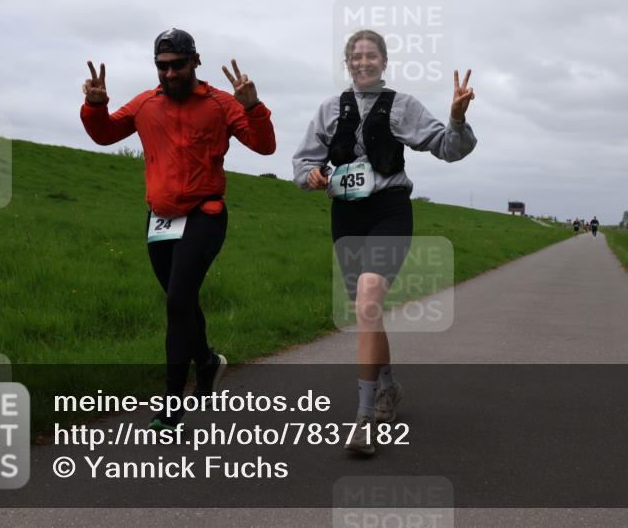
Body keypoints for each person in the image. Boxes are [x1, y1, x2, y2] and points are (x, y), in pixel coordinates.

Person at [292, 29, 477, 455]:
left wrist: (457, 118)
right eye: (355, 56)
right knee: (367, 311)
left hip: (390, 210)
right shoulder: (329, 109)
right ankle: (389, 387)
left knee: (369, 297)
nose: (362, 61)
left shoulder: (402, 106)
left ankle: (364, 418)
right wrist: (313, 176)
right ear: (346, 63)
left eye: (370, 55)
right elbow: (303, 165)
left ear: (383, 61)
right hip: (346, 214)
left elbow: (449, 148)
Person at [80, 28, 276, 429]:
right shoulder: (145, 104)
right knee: (180, 299)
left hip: (206, 213)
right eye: (162, 66)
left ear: (195, 61)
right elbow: (104, 135)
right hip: (160, 219)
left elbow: (264, 146)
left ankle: (171, 406)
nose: (169, 74)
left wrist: (253, 106)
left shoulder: (222, 104)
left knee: (176, 302)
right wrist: (94, 106)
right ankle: (206, 362)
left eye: (177, 65)